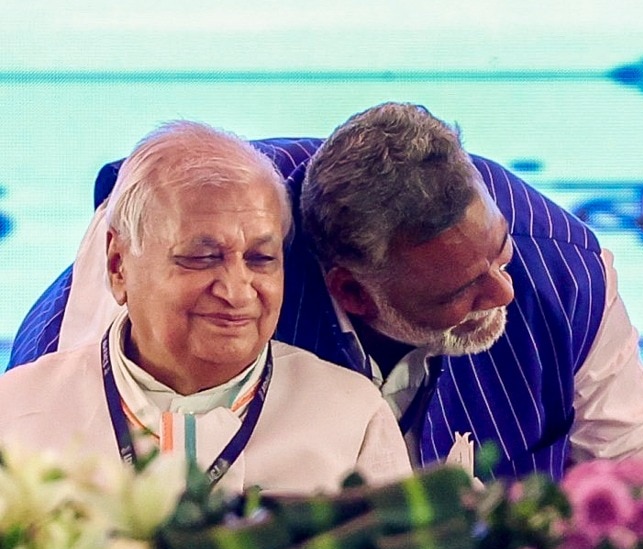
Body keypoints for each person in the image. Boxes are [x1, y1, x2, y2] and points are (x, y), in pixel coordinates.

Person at [9, 104, 643, 495]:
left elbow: (639, 457)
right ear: (352, 293)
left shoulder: (561, 265)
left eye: (498, 250)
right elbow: (93, 438)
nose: (501, 290)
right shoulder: (202, 243)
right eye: (459, 289)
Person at [0, 121, 411, 495]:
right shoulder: (18, 412)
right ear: (118, 265)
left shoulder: (352, 415)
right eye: (201, 258)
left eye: (260, 259)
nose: (236, 291)